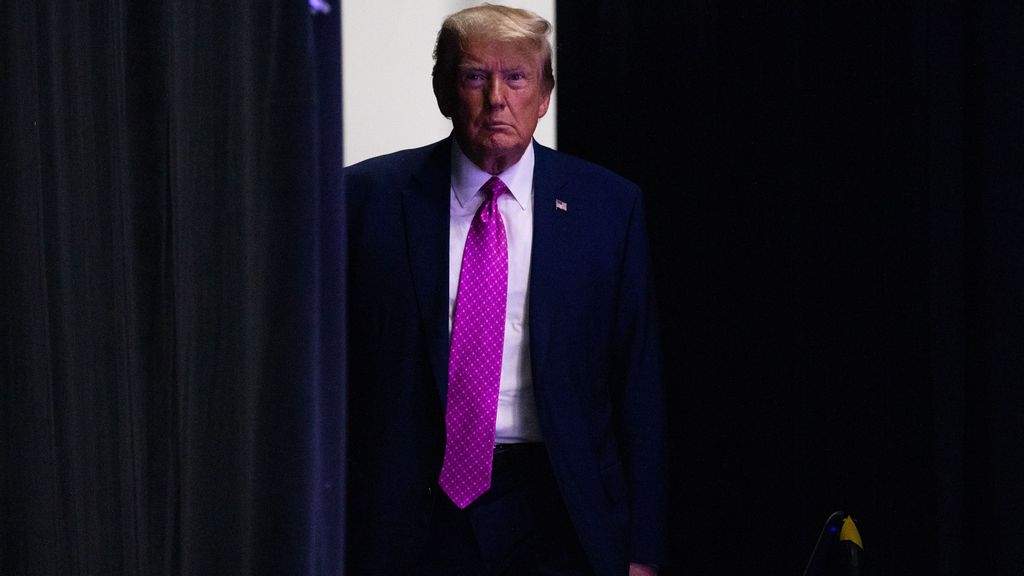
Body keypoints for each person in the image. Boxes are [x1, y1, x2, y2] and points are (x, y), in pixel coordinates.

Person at [344, 4, 667, 575]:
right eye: (475, 76)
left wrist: (642, 550)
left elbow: (636, 384)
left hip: (557, 506)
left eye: (516, 77)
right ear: (444, 93)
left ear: (543, 96)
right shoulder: (368, 199)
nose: (497, 97)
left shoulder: (607, 208)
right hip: (414, 510)